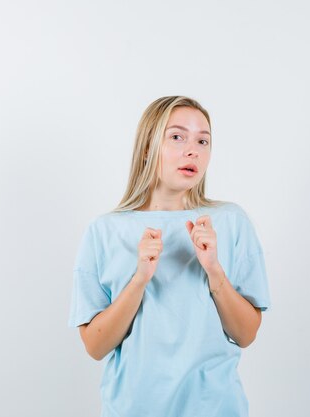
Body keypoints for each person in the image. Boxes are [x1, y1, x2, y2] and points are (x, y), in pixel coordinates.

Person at [68, 95, 272, 417]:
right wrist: (139, 280)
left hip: (215, 408)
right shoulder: (104, 231)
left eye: (203, 141)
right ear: (148, 147)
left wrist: (214, 270)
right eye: (177, 136)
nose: (193, 150)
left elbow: (246, 334)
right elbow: (95, 346)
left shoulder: (231, 223)